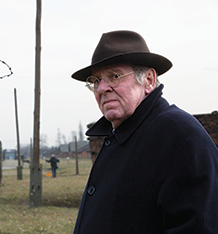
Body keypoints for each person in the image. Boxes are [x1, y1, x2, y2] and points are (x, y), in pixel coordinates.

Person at [71, 30, 218, 233]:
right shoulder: (118, 135)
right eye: (96, 80)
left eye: (114, 76)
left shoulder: (177, 135)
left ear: (148, 80)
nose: (102, 88)